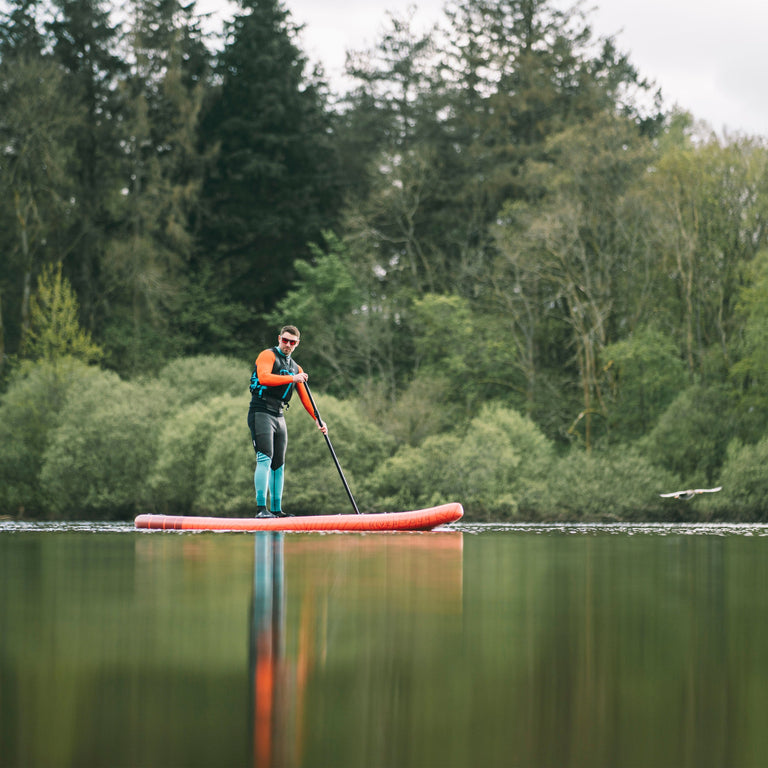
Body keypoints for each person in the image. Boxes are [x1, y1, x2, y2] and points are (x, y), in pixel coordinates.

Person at [247, 325, 327, 518]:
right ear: (279, 338)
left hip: (279, 415)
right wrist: (293, 378)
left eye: (292, 342)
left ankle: (276, 510)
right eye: (285, 340)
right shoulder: (268, 355)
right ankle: (261, 510)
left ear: (297, 344)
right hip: (261, 412)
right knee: (265, 458)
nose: (288, 345)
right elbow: (264, 378)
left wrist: (318, 419)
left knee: (279, 463)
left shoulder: (296, 367)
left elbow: (305, 397)